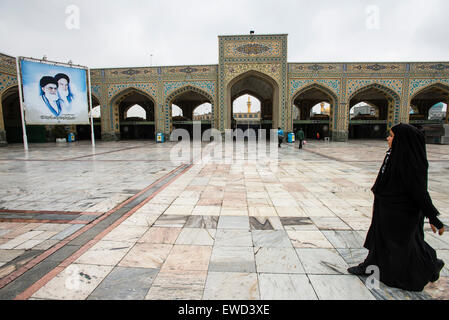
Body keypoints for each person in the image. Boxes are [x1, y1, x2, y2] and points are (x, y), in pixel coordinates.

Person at [348, 123, 445, 292]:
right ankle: (369, 267)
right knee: (379, 240)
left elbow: (419, 192)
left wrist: (432, 216)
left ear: (402, 139)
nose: (388, 138)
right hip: (386, 208)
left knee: (404, 247)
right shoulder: (394, 154)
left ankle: (431, 265)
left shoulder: (411, 161)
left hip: (402, 213)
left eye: (391, 136)